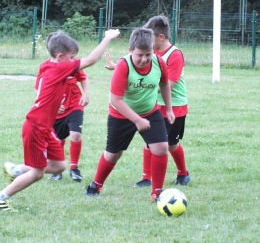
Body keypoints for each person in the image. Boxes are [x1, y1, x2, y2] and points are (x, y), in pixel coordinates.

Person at [0, 28, 120, 211]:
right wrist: (107, 38)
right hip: (36, 126)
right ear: (61, 56)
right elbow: (91, 60)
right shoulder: (60, 67)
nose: (74, 61)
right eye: (72, 57)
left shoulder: (48, 66)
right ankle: (2, 197)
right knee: (37, 173)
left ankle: (16, 170)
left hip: (45, 127)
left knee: (59, 166)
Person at [85, 27, 175, 201]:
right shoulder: (123, 66)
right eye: (139, 54)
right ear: (130, 50)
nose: (144, 59)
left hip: (150, 112)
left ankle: (157, 193)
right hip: (121, 114)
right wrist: (136, 120)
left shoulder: (159, 63)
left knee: (161, 148)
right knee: (113, 154)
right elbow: (116, 100)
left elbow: (164, 85)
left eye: (148, 54)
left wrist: (169, 109)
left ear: (153, 51)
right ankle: (96, 184)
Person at [134, 15, 190, 187]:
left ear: (161, 37)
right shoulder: (151, 53)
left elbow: (168, 85)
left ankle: (183, 173)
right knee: (150, 142)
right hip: (154, 105)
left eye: (150, 38)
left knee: (171, 144)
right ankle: (146, 178)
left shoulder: (175, 55)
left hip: (174, 107)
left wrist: (141, 87)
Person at [35, 67, 89, 182]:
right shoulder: (45, 68)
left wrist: (86, 94)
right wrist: (52, 104)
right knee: (57, 140)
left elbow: (83, 78)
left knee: (75, 135)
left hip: (75, 105)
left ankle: (74, 168)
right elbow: (38, 91)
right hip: (55, 112)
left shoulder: (73, 65)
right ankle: (57, 170)